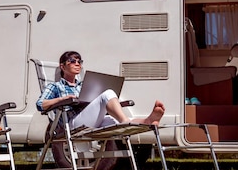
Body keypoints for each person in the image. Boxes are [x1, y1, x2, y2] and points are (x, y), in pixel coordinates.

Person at [36, 51, 165, 129]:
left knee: (116, 121)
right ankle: (126, 122)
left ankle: (147, 121)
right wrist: (62, 99)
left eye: (79, 61)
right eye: (72, 61)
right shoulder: (55, 86)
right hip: (71, 124)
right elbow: (40, 105)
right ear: (62, 66)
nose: (77, 64)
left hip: (90, 120)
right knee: (108, 94)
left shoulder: (83, 86)